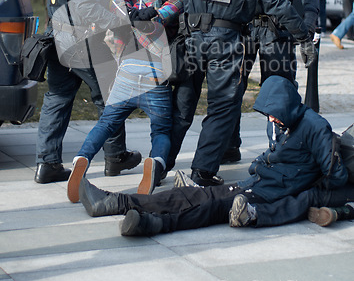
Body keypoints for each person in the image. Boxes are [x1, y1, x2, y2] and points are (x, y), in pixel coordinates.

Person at [155, 0, 316, 187]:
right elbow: (281, 7)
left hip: (191, 39)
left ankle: (159, 164)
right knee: (223, 108)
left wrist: (166, 10)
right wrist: (303, 37)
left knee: (182, 106)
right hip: (227, 44)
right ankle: (203, 172)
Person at [75, 76, 347, 236]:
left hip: (270, 195)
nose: (271, 118)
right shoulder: (281, 122)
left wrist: (301, 189)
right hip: (257, 184)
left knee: (210, 207)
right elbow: (276, 155)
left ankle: (149, 223)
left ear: (287, 105)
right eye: (269, 113)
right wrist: (258, 166)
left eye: (274, 112)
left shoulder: (315, 127)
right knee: (194, 196)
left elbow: (336, 175)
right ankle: (115, 202)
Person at [34, 0, 141, 184]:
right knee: (110, 98)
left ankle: (47, 164)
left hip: (57, 37)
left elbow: (56, 0)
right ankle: (115, 157)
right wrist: (121, 21)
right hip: (82, 40)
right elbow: (88, 7)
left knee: (56, 99)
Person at [221, 0, 319, 164]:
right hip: (241, 29)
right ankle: (228, 145)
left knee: (279, 91)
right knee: (230, 88)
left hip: (278, 31)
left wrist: (309, 19)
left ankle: (279, 151)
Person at [67, 0, 183, 202]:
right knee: (161, 130)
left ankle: (82, 157)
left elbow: (116, 3)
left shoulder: (120, 10)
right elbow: (174, 6)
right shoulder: (166, 5)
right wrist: (149, 8)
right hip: (155, 78)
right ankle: (155, 163)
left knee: (106, 124)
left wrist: (131, 7)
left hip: (126, 74)